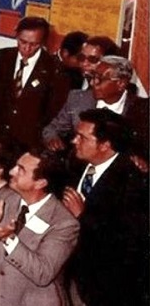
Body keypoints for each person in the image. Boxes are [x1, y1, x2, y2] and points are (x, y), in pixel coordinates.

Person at [61, 109, 148, 306]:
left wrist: (83, 215)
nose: (74, 141)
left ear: (105, 145)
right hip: (72, 274)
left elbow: (129, 240)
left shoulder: (132, 182)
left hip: (106, 287)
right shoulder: (74, 163)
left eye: (82, 137)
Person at [0, 148, 79, 306]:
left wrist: (8, 239)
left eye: (21, 169)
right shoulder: (6, 196)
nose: (12, 171)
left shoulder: (64, 223)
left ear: (40, 183)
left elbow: (43, 273)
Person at [43, 56, 148, 167]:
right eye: (93, 76)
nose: (93, 83)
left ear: (121, 84)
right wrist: (52, 138)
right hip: (78, 169)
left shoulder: (142, 109)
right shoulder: (78, 99)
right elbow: (52, 129)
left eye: (100, 79)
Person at [0, 17, 69, 148]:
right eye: (22, 41)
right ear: (16, 35)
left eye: (35, 44)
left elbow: (51, 111)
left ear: (43, 42)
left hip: (29, 141)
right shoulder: (3, 56)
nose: (27, 48)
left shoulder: (54, 68)